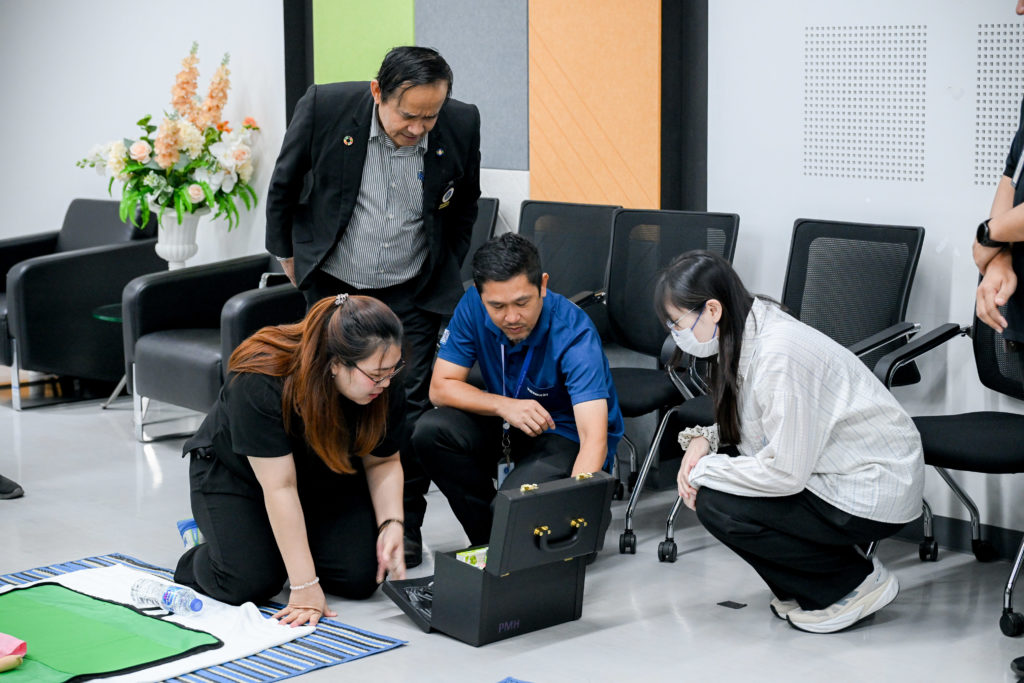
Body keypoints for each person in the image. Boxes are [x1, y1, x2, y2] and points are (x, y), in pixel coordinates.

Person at [265, 46, 481, 566]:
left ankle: (402, 526)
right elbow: (283, 186)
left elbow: (465, 205)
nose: (419, 128)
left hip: (412, 290)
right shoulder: (325, 107)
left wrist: (444, 268)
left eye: (430, 116)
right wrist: (290, 257)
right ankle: (331, 520)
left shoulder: (461, 122)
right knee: (328, 397)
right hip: (335, 284)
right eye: (408, 115)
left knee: (406, 408)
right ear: (378, 92)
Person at [657, 250, 924, 634]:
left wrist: (706, 470)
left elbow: (784, 473)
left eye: (677, 323)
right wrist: (705, 440)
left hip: (872, 483)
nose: (675, 335)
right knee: (718, 492)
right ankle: (803, 588)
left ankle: (851, 585)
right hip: (837, 468)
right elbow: (757, 422)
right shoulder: (747, 331)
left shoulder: (779, 353)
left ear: (712, 310)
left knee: (718, 503)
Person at [173, 294, 407, 627]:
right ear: (335, 363)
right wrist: (304, 585)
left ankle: (275, 543)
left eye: (391, 371)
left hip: (318, 473)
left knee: (361, 577)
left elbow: (383, 461)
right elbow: (279, 487)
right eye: (376, 375)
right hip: (239, 477)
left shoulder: (381, 378)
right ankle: (206, 546)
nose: (386, 383)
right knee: (249, 581)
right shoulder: (260, 377)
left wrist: (391, 523)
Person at [410, 233, 624, 545]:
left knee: (515, 515)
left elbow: (594, 440)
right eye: (497, 306)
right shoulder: (473, 305)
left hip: (565, 434)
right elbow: (440, 388)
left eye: (522, 303)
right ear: (481, 295)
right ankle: (492, 540)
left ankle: (535, 529)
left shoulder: (574, 333)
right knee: (431, 432)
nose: (511, 318)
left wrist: (577, 513)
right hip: (509, 419)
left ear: (543, 285)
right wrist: (503, 405)